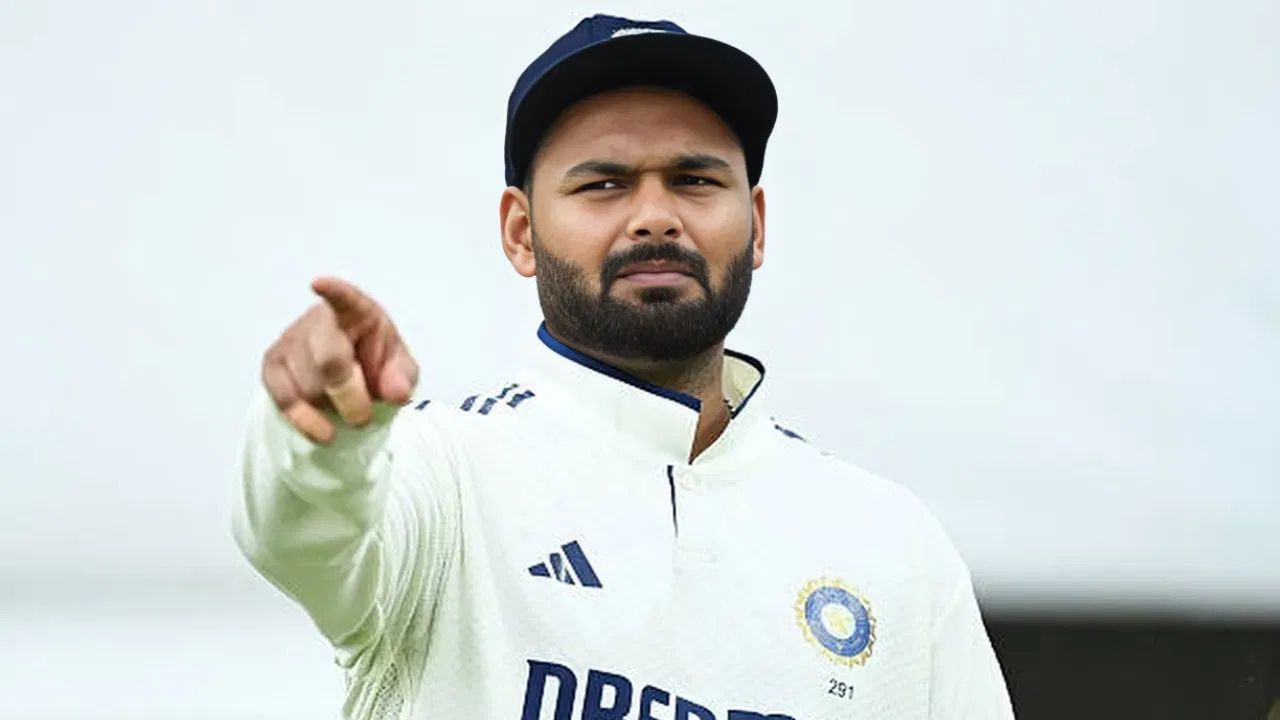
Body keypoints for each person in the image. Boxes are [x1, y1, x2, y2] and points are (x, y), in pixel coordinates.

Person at [232, 13, 1015, 720]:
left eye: (695, 180)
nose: (654, 216)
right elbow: (301, 538)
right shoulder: (445, 473)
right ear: (521, 232)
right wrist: (320, 437)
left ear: (757, 221)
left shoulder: (893, 543)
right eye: (603, 184)